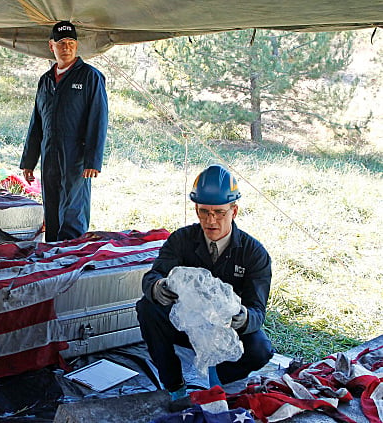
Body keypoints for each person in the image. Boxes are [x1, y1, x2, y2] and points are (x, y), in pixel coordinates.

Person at [136, 164, 273, 408]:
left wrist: (240, 318)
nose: (211, 221)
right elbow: (152, 275)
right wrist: (158, 287)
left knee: (261, 349)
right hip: (186, 325)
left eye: (219, 212)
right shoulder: (181, 240)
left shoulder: (254, 254)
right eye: (204, 212)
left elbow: (257, 311)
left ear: (234, 211)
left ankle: (216, 378)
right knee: (147, 307)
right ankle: (175, 386)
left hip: (226, 331)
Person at [20, 21, 108, 242]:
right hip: (49, 154)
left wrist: (92, 160)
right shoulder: (46, 80)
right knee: (51, 208)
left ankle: (70, 259)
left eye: (71, 43)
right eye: (61, 43)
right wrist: (29, 161)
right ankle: (51, 257)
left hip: (76, 156)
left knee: (72, 211)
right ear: (52, 46)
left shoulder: (90, 77)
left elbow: (98, 120)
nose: (66, 47)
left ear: (76, 46)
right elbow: (37, 123)